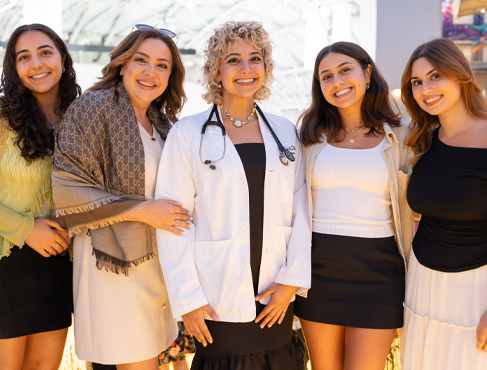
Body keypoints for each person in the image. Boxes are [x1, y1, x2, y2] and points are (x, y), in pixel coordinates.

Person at [155, 20, 311, 370]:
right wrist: (188, 299)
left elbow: (302, 210)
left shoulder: (285, 132)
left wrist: (291, 280)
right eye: (233, 60)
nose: (245, 69)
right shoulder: (188, 133)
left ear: (266, 68)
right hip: (215, 294)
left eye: (255, 59)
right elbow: (173, 221)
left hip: (274, 290)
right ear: (216, 70)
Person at [53, 25, 189, 370]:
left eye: (162, 65)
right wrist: (143, 211)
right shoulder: (93, 108)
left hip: (155, 265)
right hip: (110, 264)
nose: (150, 72)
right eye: (141, 60)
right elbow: (69, 190)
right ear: (123, 64)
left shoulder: (163, 124)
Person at [399, 38, 487, 370]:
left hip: (482, 289)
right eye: (417, 82)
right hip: (423, 286)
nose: (425, 88)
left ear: (460, 76)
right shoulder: (424, 141)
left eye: (435, 76)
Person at [294, 41, 415, 370]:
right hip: (318, 270)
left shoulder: (402, 137)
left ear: (367, 72)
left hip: (379, 273)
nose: (337, 82)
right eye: (326, 77)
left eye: (345, 70)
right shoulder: (307, 138)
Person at [0, 24, 80, 370]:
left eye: (45, 52)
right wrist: (27, 229)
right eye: (24, 57)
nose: (36, 63)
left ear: (63, 58)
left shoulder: (80, 119)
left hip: (57, 269)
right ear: (14, 67)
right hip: (0, 269)